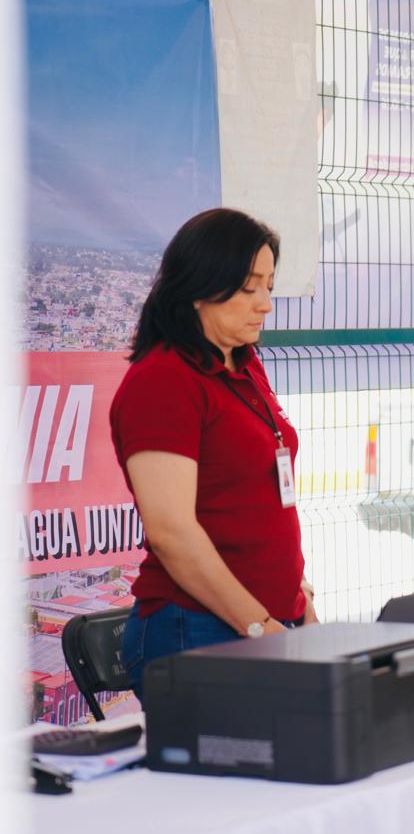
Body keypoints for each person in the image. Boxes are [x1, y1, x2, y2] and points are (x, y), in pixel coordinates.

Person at [112, 208, 317, 698]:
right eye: (250, 288)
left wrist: (300, 596)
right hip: (199, 626)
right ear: (200, 288)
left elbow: (268, 500)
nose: (265, 304)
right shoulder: (164, 381)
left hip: (270, 620)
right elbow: (172, 532)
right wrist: (257, 626)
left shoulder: (245, 365)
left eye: (269, 285)